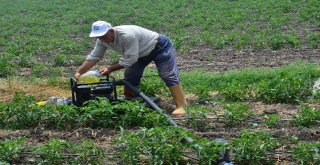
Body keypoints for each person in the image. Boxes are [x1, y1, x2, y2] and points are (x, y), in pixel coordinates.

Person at [74, 20, 186, 115]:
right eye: (98, 37)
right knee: (130, 76)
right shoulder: (102, 40)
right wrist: (79, 72)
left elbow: (131, 60)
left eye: (103, 36)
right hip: (139, 53)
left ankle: (181, 106)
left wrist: (110, 69)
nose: (102, 39)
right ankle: (131, 101)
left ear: (111, 30)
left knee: (167, 74)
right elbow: (94, 56)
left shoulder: (127, 35)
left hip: (159, 46)